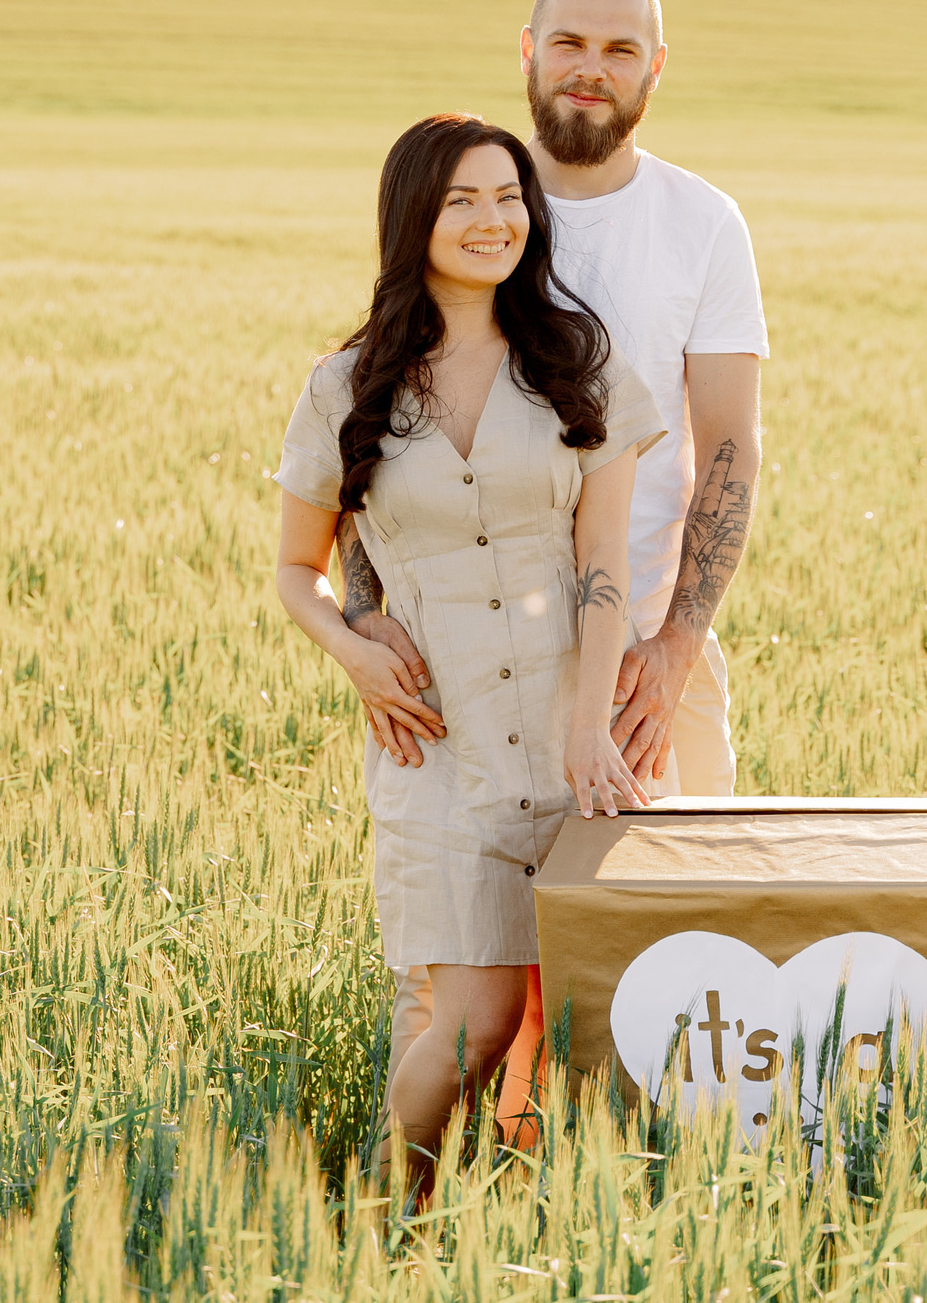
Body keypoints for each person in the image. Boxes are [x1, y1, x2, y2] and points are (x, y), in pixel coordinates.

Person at [338, 0, 770, 1081]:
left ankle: (622, 1226)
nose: (593, 68)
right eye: (570, 42)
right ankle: (432, 1232)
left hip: (638, 668)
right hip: (460, 664)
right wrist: (368, 623)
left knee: (671, 973)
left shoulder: (701, 223)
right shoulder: (470, 194)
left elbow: (725, 443)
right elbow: (377, 418)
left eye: (620, 48)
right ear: (526, 52)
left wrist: (675, 645)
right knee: (460, 992)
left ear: (655, 70)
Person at [273, 112, 665, 1181]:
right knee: (473, 1021)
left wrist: (591, 729)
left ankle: (488, 1214)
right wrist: (350, 641)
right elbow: (292, 569)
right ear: (415, 218)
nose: (493, 220)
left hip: (565, 736)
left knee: (588, 1020)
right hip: (434, 743)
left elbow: (603, 569)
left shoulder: (574, 363)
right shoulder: (345, 384)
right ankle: (387, 1210)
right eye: (462, 200)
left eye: (508, 198)